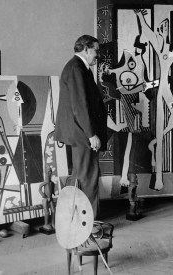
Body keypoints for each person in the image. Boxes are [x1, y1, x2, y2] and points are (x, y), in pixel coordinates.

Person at [54, 35, 107, 219]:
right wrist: (91, 134)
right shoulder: (77, 68)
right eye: (95, 50)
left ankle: (71, 218)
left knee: (79, 175)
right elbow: (80, 106)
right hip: (82, 133)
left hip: (77, 132)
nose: (97, 55)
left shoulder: (78, 67)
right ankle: (89, 221)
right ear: (86, 49)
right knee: (88, 176)